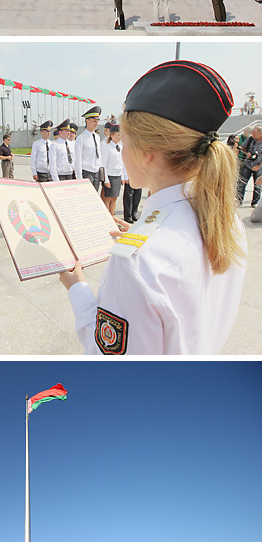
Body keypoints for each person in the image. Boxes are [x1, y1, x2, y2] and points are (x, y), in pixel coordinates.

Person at [60, 61, 247, 355]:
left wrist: (77, 287)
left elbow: (107, 359)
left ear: (147, 154)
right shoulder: (226, 219)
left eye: (126, 143)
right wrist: (143, 236)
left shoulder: (136, 261)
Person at [74, 106, 102, 189]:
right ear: (87, 120)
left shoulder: (97, 137)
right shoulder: (81, 138)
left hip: (96, 172)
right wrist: (79, 178)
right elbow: (77, 159)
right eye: (94, 121)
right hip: (86, 172)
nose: (96, 123)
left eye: (97, 121)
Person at [101, 120, 123, 217]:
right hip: (110, 176)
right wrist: (106, 180)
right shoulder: (107, 148)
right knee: (108, 198)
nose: (119, 137)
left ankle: (113, 217)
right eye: (118, 135)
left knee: (114, 198)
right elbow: (104, 165)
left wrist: (122, 177)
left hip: (117, 175)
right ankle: (107, 218)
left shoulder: (120, 147)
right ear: (112, 135)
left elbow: (121, 163)